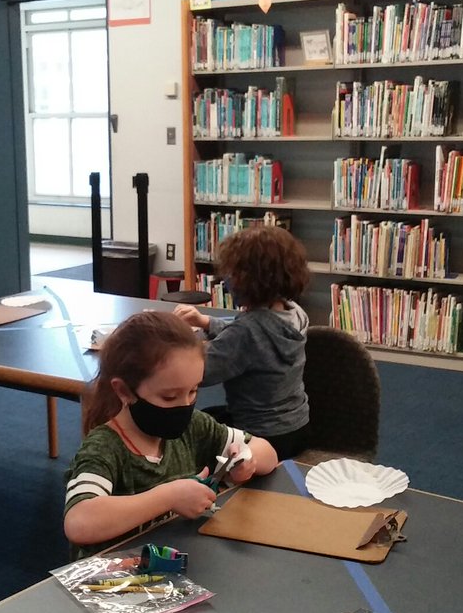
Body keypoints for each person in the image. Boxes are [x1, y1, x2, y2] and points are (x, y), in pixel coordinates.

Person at [63, 311, 278, 558]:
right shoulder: (104, 448)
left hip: (171, 569)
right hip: (113, 582)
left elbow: (269, 453)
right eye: (169, 397)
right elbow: (79, 523)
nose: (185, 405)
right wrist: (169, 497)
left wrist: (244, 458)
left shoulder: (194, 427)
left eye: (193, 391)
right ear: (124, 391)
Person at [173, 224, 312, 461]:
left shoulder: (245, 334)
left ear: (249, 280)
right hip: (297, 427)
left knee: (182, 431)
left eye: (233, 273)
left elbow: (195, 374)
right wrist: (207, 322)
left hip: (259, 437)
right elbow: (254, 329)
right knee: (210, 417)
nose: (226, 279)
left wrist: (173, 338)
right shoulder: (295, 313)